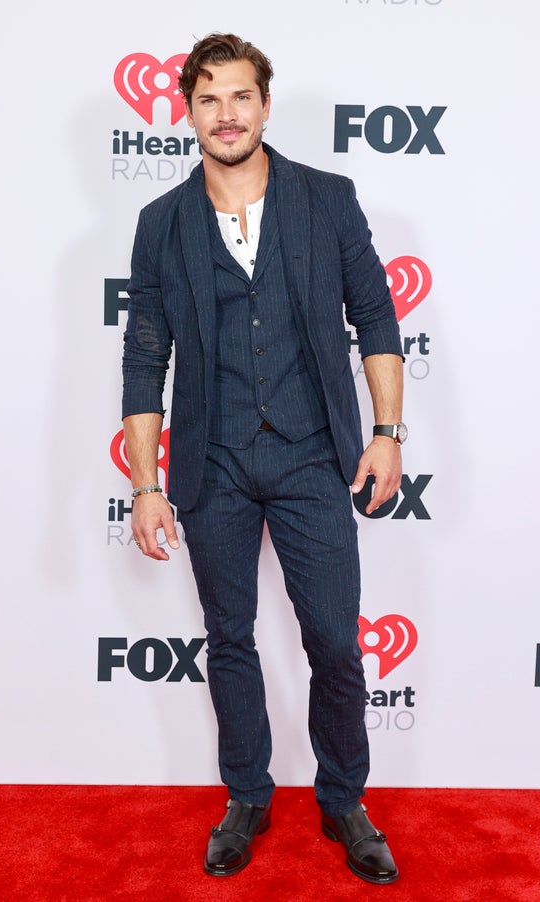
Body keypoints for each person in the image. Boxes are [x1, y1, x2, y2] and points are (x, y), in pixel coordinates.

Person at [122, 33, 405, 885]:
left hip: (317, 458)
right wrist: (145, 483)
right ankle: (246, 794)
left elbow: (378, 321)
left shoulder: (327, 199)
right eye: (208, 99)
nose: (226, 114)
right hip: (213, 465)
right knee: (230, 638)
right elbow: (144, 356)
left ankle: (345, 799)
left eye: (240, 96)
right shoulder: (161, 223)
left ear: (266, 104)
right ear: (190, 112)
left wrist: (387, 432)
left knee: (334, 641)